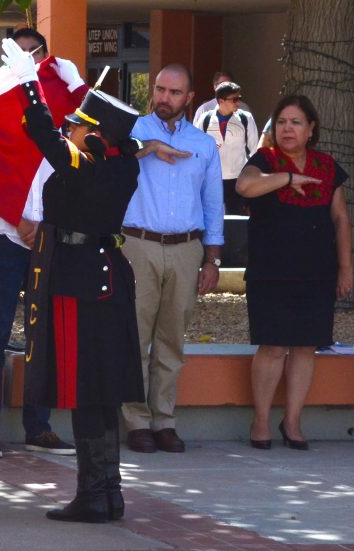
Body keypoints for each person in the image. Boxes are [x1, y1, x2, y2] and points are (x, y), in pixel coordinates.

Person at [2, 36, 154, 523]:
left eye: (78, 124)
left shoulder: (92, 164)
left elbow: (46, 138)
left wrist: (30, 87)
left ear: (94, 136)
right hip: (97, 277)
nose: (69, 129)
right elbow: (64, 142)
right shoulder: (116, 163)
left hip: (78, 281)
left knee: (86, 387)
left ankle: (94, 493)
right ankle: (107, 490)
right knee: (101, 388)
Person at [0, 28, 86, 460]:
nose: (24, 61)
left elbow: (86, 148)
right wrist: (16, 219)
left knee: (45, 335)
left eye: (31, 53)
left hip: (50, 236)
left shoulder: (58, 102)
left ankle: (39, 425)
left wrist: (74, 83)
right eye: (15, 55)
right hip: (5, 236)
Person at [236, 95, 353, 451]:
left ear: (311, 128)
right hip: (270, 272)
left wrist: (347, 269)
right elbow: (245, 186)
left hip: (317, 272)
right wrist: (286, 177)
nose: (288, 128)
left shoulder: (327, 166)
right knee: (272, 347)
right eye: (282, 121)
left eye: (296, 122)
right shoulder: (265, 160)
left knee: (305, 347)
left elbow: (341, 219)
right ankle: (260, 422)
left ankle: (293, 421)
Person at [120, 64, 224, 454]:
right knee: (134, 336)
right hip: (138, 244)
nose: (164, 97)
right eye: (160, 89)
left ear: (190, 97)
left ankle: (164, 420)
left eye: (174, 92)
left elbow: (213, 203)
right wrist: (146, 149)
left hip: (186, 248)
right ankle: (136, 421)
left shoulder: (202, 144)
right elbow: (108, 157)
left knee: (171, 341)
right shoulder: (132, 131)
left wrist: (212, 259)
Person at [195, 81, 258, 215]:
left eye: (239, 99)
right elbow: (196, 149)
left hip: (237, 179)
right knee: (210, 218)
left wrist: (252, 177)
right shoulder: (205, 119)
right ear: (221, 101)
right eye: (234, 99)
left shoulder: (245, 118)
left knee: (236, 220)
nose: (238, 103)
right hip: (211, 179)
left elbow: (254, 150)